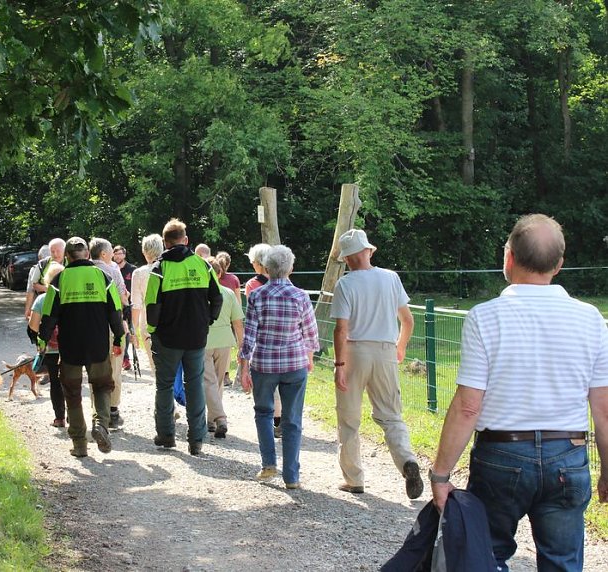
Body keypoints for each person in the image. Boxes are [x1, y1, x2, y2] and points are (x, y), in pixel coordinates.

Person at [429, 214, 608, 571]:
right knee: (563, 562)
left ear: (508, 257)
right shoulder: (591, 319)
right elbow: (603, 407)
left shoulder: (485, 316)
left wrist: (440, 474)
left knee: (487, 556)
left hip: (501, 455)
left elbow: (468, 407)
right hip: (568, 456)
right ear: (559, 264)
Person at [330, 228, 422, 499]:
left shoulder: (345, 285)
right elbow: (408, 320)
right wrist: (400, 346)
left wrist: (338, 365)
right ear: (367, 251)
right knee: (391, 415)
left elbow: (340, 330)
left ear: (347, 259)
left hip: (354, 351)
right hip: (385, 351)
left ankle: (354, 478)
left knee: (348, 418)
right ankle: (406, 460)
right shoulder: (390, 278)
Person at [239, 246, 319, 489]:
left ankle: (268, 464)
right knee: (292, 419)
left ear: (266, 269)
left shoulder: (257, 296)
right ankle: (291, 476)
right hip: (295, 364)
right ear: (290, 268)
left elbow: (249, 335)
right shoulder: (301, 296)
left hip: (264, 364)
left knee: (263, 412)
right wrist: (309, 356)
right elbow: (311, 334)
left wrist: (243, 366)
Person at [38, 237, 124, 457]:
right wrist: (118, 337)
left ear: (67, 256)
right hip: (97, 345)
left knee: (73, 393)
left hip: (70, 348)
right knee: (102, 386)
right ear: (87, 254)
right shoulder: (103, 277)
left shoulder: (59, 280)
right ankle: (101, 425)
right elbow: (115, 310)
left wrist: (42, 341)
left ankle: (79, 444)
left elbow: (48, 315)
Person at [145, 218, 222, 455]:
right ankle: (196, 439)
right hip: (196, 337)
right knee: (194, 384)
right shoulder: (203, 265)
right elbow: (217, 298)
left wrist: (152, 331)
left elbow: (151, 306)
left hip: (167, 338)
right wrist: (206, 321)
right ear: (186, 240)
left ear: (165, 243)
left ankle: (166, 435)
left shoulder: (159, 269)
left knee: (165, 385)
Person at [90, 237, 129, 428]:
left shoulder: (85, 270)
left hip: (91, 326)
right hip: (112, 325)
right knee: (114, 369)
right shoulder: (113, 270)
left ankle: (97, 411)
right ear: (104, 254)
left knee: (95, 369)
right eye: (111, 251)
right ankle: (113, 411)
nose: (114, 255)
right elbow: (123, 297)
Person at [204, 257, 244, 438]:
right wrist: (242, 347)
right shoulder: (228, 293)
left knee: (209, 382)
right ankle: (214, 419)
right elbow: (238, 323)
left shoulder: (199, 293)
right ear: (220, 273)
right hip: (225, 341)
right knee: (218, 382)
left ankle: (217, 418)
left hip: (204, 341)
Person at [244, 243, 282, 433]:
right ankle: (281, 418)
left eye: (252, 262)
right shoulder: (283, 279)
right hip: (284, 336)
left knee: (266, 382)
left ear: (259, 263)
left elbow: (253, 314)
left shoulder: (252, 285)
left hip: (262, 339)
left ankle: (272, 420)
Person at [28, 262, 66, 428]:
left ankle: (59, 418)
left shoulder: (43, 299)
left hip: (50, 348)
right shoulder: (71, 297)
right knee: (72, 381)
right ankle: (74, 416)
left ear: (48, 281)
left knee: (55, 382)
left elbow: (33, 326)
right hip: (71, 347)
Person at [130, 233, 164, 371]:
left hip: (148, 324)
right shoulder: (168, 268)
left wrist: (134, 331)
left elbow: (136, 304)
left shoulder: (139, 274)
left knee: (156, 368)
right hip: (171, 323)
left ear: (144, 252)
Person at [215, 250, 242, 386]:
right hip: (229, 315)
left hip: (214, 316)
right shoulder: (234, 279)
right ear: (229, 264)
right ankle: (225, 375)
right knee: (227, 346)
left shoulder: (212, 276)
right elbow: (238, 301)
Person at [25, 239, 65, 320]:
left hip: (66, 303)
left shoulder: (71, 262)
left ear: (64, 251)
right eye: (52, 251)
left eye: (58, 251)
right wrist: (49, 289)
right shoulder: (42, 264)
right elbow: (33, 285)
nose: (55, 254)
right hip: (47, 302)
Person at [112, 244, 137, 371]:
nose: (117, 256)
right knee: (122, 330)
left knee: (129, 330)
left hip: (129, 304)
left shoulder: (132, 269)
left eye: (119, 253)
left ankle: (125, 356)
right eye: (115, 254)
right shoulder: (112, 269)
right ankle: (124, 357)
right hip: (116, 305)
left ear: (124, 255)